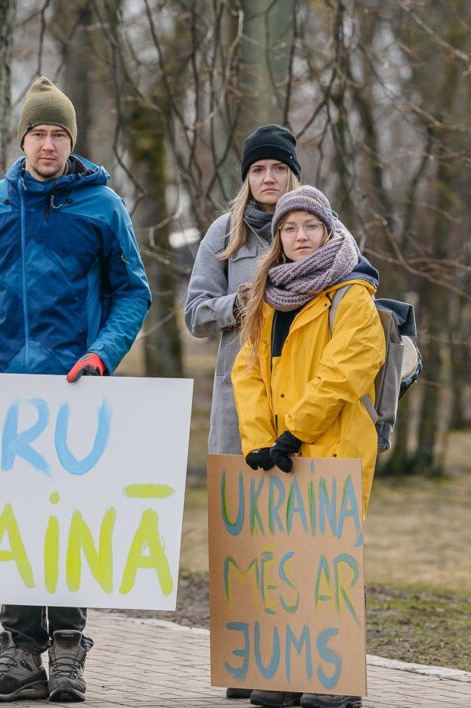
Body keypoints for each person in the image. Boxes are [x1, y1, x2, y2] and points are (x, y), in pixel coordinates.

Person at [0, 76, 151, 703]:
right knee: (14, 520)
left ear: (71, 143)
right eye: (39, 132)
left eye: (59, 134)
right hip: (3, 392)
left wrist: (101, 354)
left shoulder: (102, 207)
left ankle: (67, 651)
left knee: (63, 523)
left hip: (73, 391)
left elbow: (132, 290)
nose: (48, 144)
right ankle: (18, 652)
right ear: (23, 139)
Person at [231, 186, 384, 708]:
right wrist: (260, 442)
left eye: (310, 227)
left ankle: (335, 676)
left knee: (330, 563)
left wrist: (294, 432)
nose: (300, 237)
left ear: (328, 230)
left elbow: (344, 373)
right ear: (278, 237)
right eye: (290, 228)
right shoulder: (268, 294)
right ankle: (293, 668)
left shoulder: (352, 292)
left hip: (332, 446)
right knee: (285, 561)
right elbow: (247, 371)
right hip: (279, 451)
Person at [183, 124, 301, 702]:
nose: (269, 178)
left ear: (293, 175)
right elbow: (195, 315)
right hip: (239, 401)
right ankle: (244, 659)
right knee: (242, 531)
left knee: (292, 527)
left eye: (278, 168)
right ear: (247, 177)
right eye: (259, 169)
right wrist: (246, 302)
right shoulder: (222, 236)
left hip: (303, 402)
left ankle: (292, 657)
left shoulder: (315, 229)